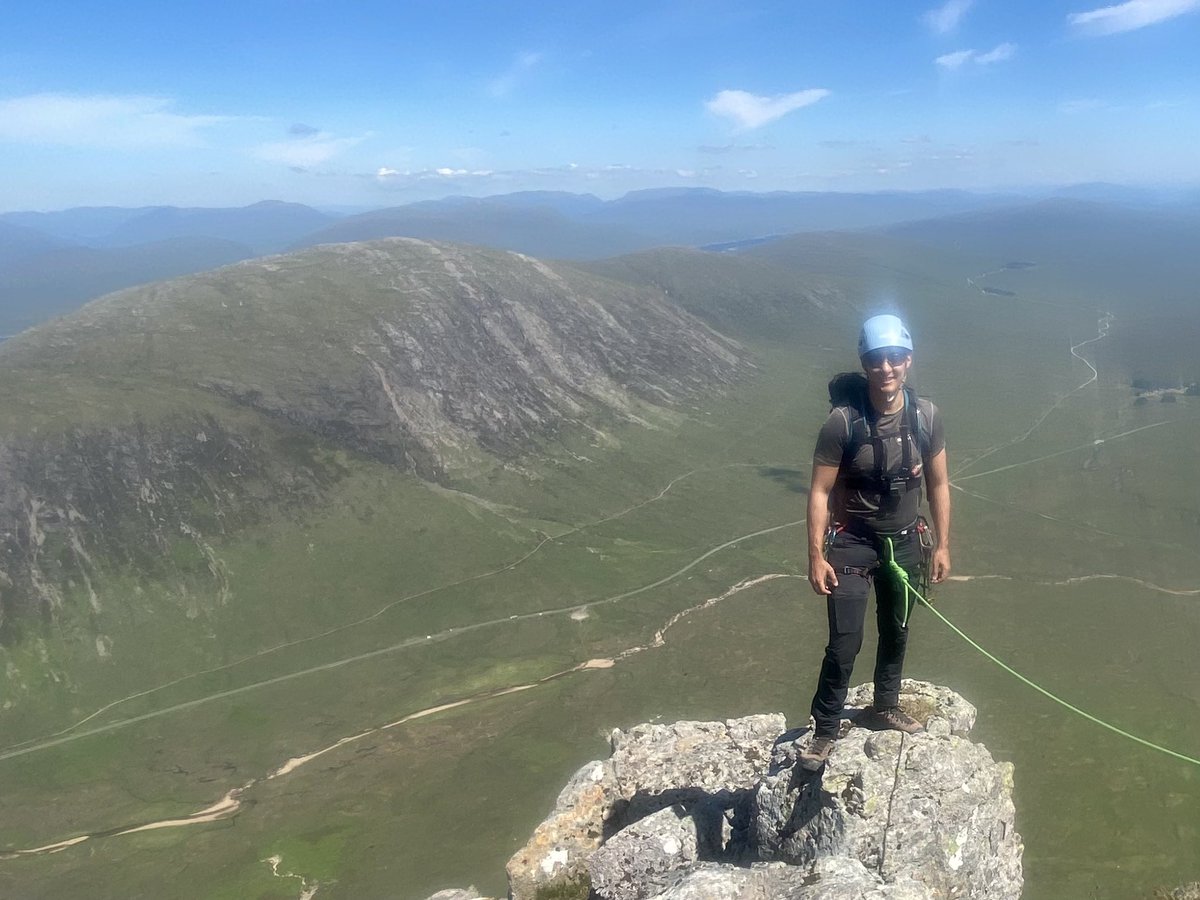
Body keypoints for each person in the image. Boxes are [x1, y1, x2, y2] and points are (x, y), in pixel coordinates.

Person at [799, 313, 951, 771]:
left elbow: (940, 484)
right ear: (865, 364)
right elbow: (820, 492)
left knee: (897, 629)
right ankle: (824, 731)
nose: (886, 368)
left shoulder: (925, 417)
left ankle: (885, 705)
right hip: (851, 543)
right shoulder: (842, 424)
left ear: (908, 360)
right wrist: (814, 556)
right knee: (844, 640)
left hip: (905, 541)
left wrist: (943, 545)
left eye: (895, 358)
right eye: (876, 360)